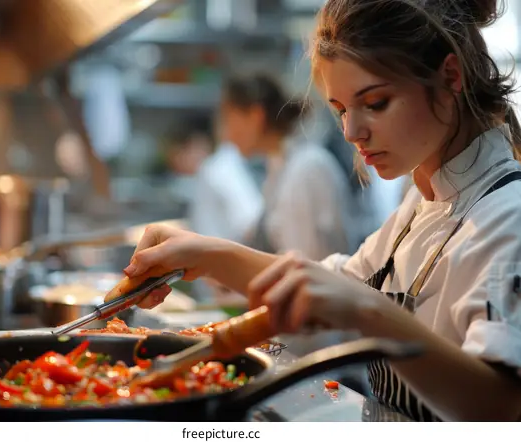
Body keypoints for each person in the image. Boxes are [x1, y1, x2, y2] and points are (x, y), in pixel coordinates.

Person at [121, 0, 521, 422]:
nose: (352, 132)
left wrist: (369, 310)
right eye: (342, 110)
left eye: (376, 102)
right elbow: (336, 284)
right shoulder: (425, 200)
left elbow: (505, 411)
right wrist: (204, 255)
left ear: (450, 76)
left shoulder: (507, 217)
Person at [219, 72, 359, 260]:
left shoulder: (307, 169)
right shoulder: (279, 166)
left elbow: (310, 265)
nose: (227, 135)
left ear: (255, 116)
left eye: (230, 120)